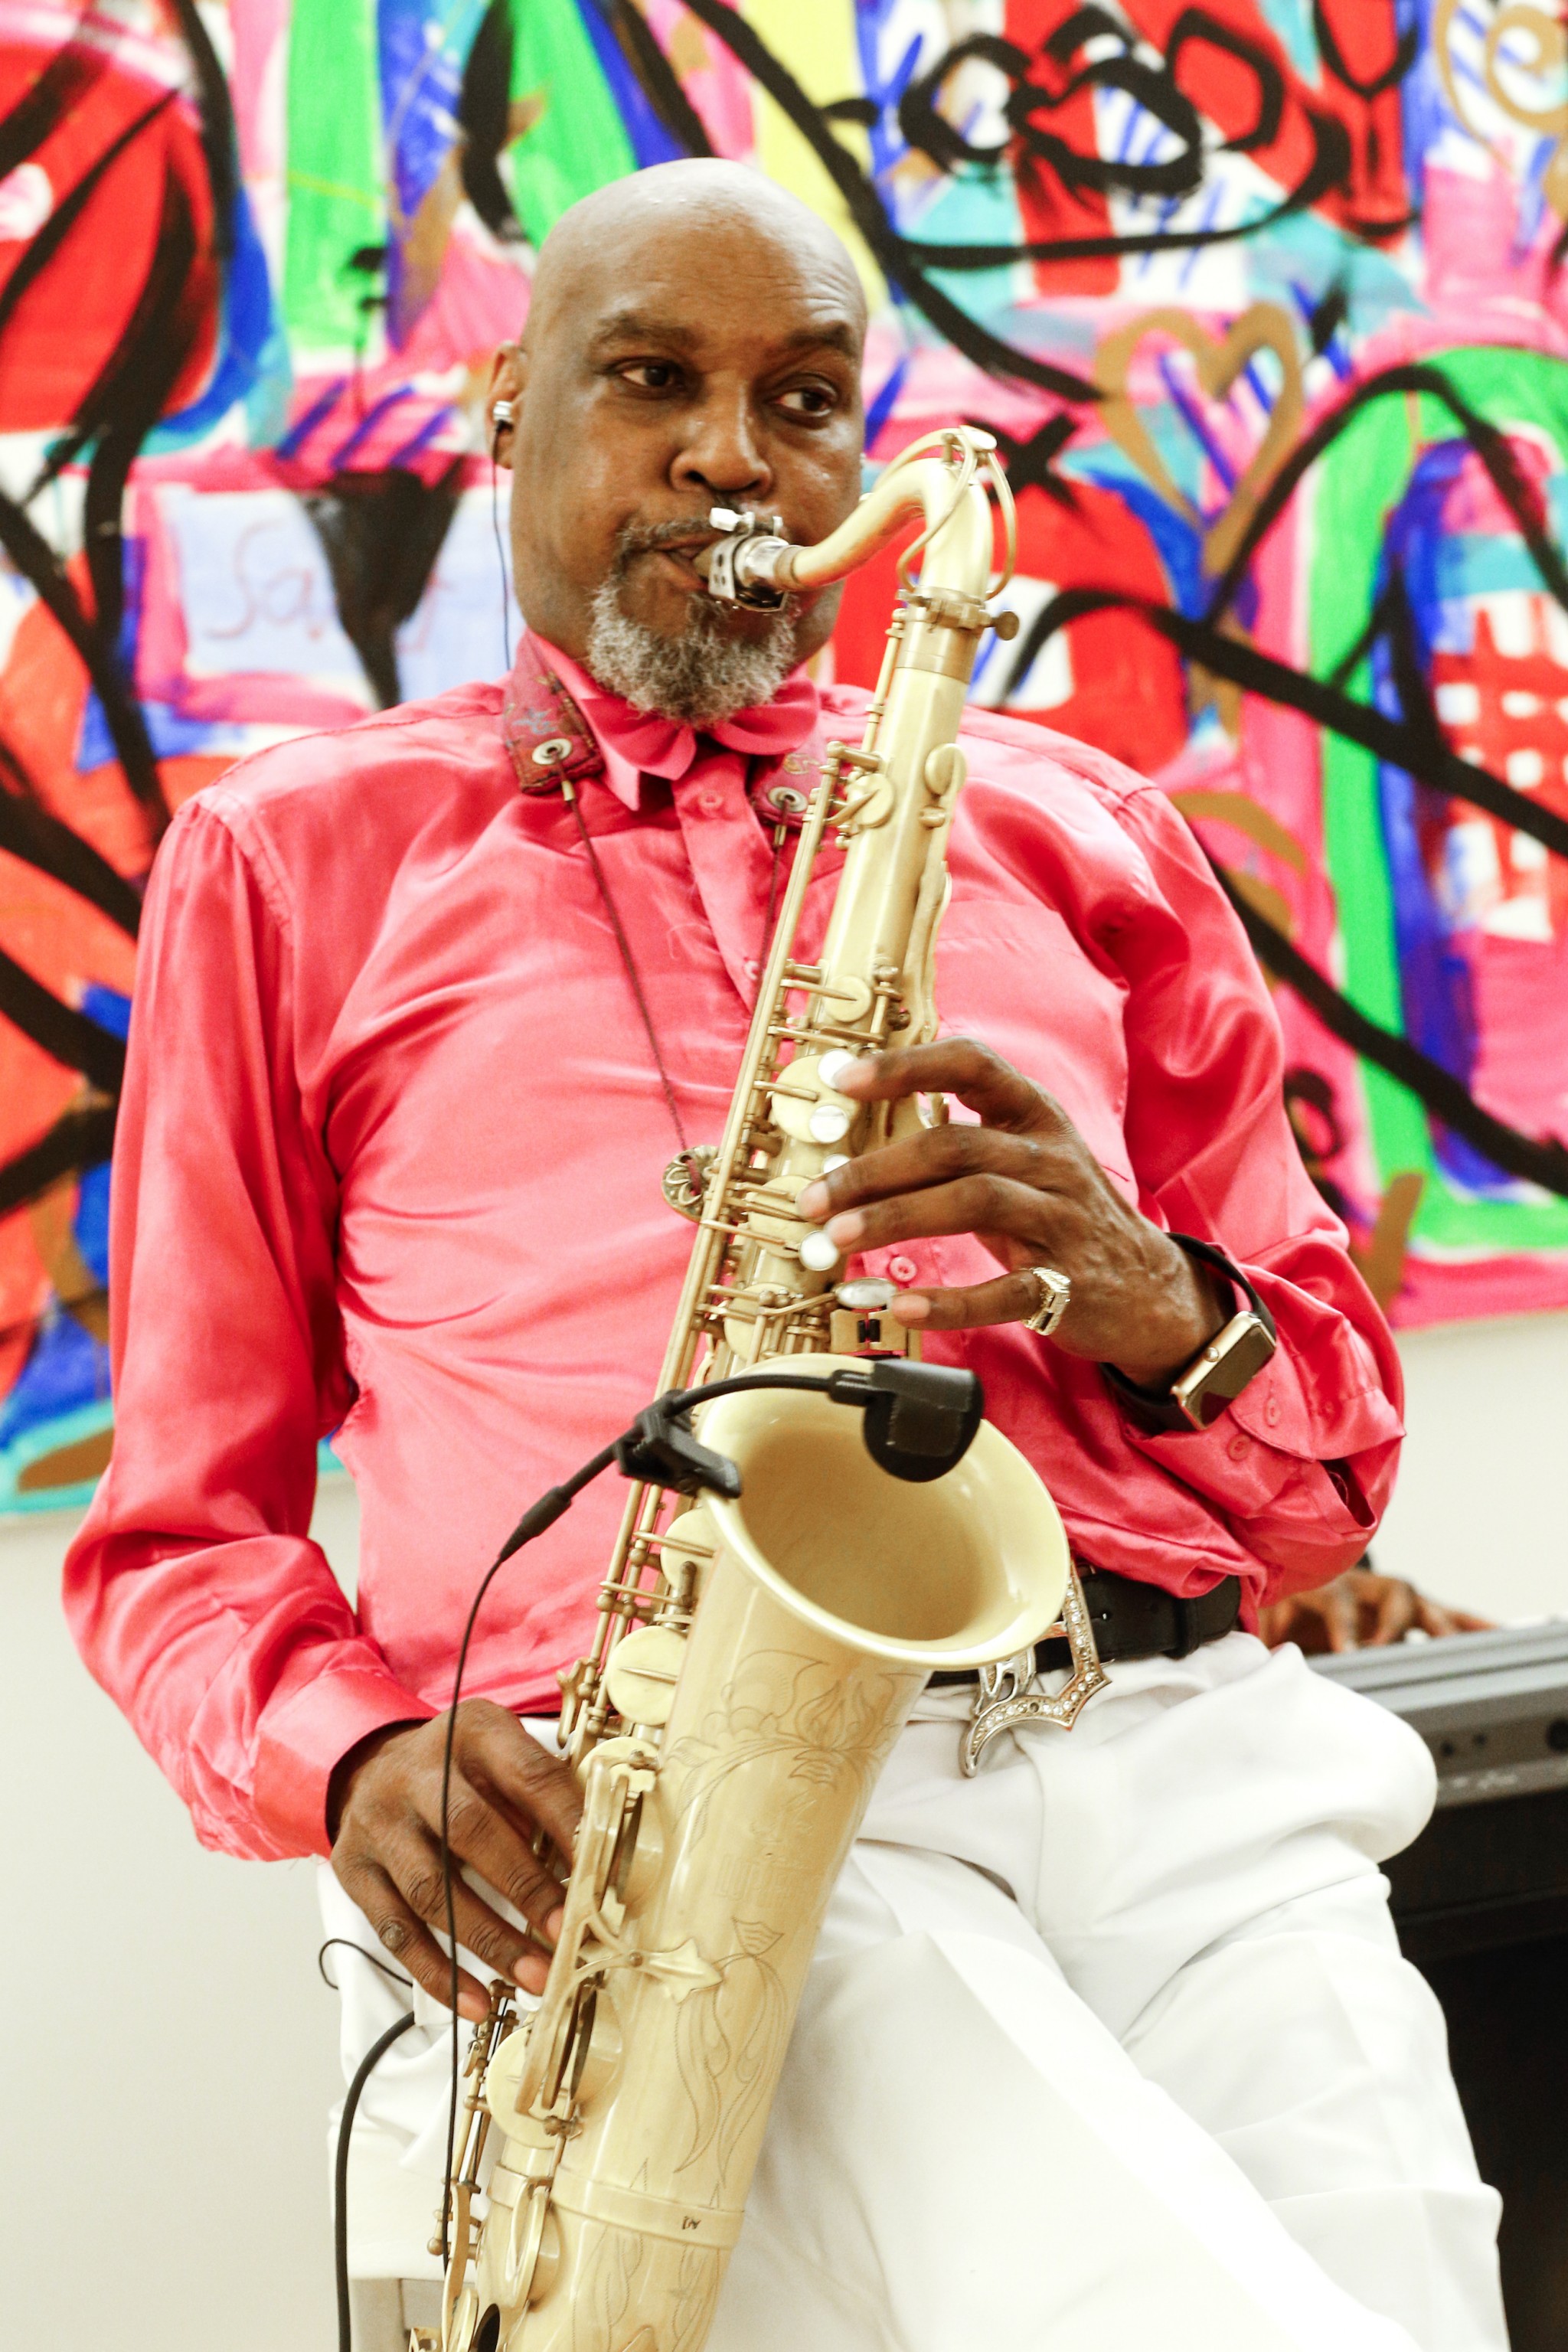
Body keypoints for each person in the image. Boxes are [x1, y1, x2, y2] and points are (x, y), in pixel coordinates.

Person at [65, 162, 1508, 2350]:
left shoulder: (1078, 828)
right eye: (653, 381)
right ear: (504, 408)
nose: (734, 456)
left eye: (803, 399)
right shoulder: (292, 861)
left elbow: (1325, 1471)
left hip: (1187, 1763)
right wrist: (354, 1752)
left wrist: (1142, 1293)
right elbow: (178, 1537)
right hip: (696, 1808)